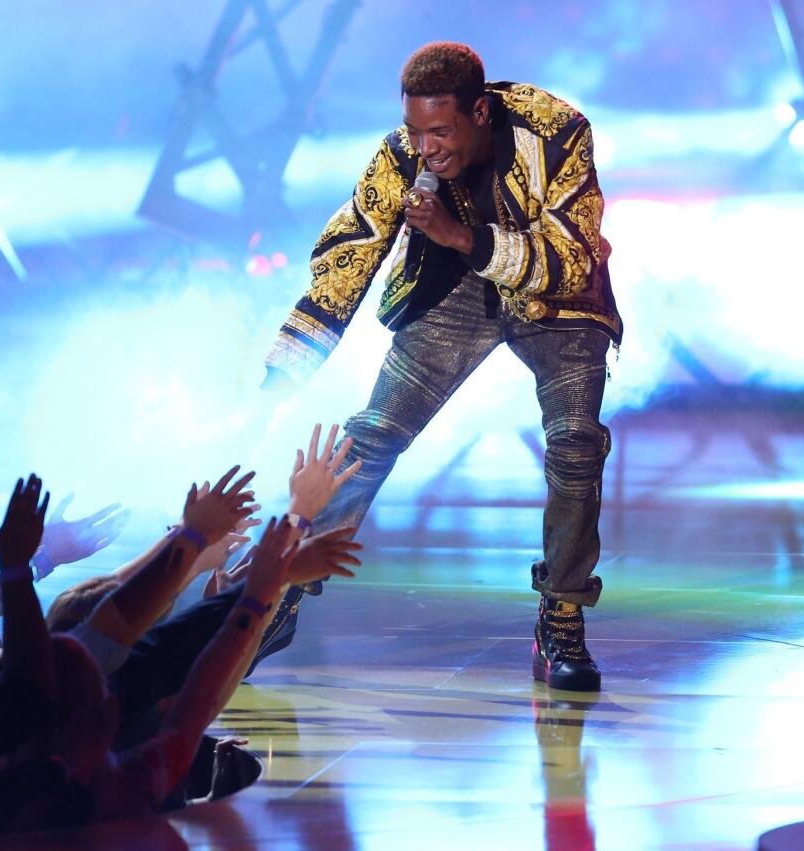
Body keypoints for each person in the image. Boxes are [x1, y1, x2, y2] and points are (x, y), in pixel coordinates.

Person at [260, 42, 623, 691]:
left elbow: (574, 256)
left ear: (481, 112)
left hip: (556, 298)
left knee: (575, 441)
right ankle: (278, 592)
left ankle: (561, 616)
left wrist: (465, 237)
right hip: (456, 291)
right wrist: (285, 369)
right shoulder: (403, 152)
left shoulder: (556, 132)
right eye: (417, 131)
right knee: (373, 433)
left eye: (441, 132)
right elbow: (352, 251)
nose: (427, 148)